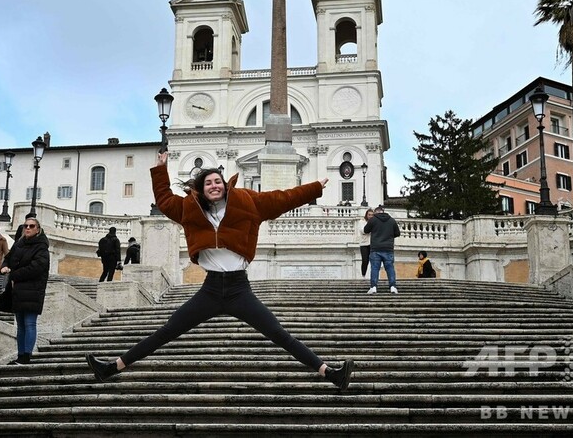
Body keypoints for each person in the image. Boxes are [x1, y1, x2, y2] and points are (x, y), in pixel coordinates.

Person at [85, 152, 354, 390]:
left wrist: (315, 188)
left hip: (239, 289)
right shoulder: (190, 208)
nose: (214, 185)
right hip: (211, 289)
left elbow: (282, 199)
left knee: (278, 333)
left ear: (225, 186)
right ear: (201, 189)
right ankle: (111, 367)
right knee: (166, 331)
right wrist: (160, 169)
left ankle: (330, 373)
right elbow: (165, 201)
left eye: (218, 181)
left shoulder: (247, 201)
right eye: (208, 182)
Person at [0, 216, 49, 365]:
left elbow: (37, 267)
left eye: (32, 226)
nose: (27, 228)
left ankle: (27, 356)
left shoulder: (41, 247)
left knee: (29, 323)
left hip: (33, 289)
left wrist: (14, 274)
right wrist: (4, 266)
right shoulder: (19, 244)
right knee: (20, 325)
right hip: (18, 289)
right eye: (25, 226)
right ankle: (21, 355)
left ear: (38, 229)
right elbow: (8, 257)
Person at [364, 205, 400, 295]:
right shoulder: (392, 220)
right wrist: (389, 236)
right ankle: (392, 287)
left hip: (375, 248)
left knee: (375, 268)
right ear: (383, 211)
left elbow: (365, 230)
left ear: (376, 212)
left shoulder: (373, 220)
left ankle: (373, 287)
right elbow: (397, 233)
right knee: (390, 268)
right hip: (388, 248)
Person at [359, 208, 374, 277]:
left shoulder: (375, 222)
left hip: (372, 244)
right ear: (366, 215)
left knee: (374, 261)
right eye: (369, 215)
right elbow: (363, 231)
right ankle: (363, 275)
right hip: (364, 244)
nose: (370, 216)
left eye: (372, 215)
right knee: (365, 260)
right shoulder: (362, 222)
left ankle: (373, 276)